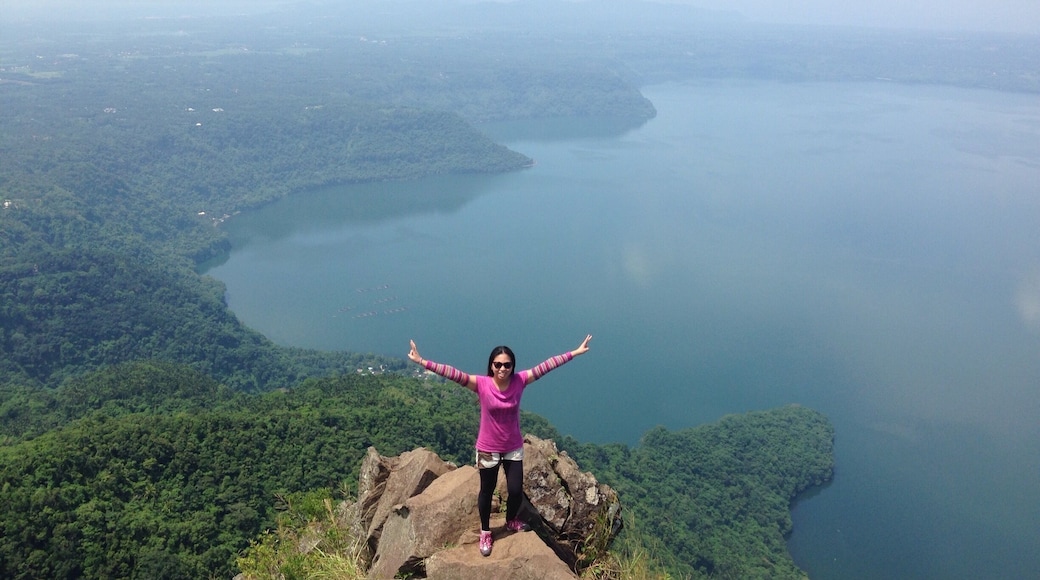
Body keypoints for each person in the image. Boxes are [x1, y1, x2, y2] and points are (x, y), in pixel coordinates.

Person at [408, 334, 592, 557]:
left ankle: (510, 520)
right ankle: (486, 531)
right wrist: (421, 361)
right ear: (491, 366)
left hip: (513, 446)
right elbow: (453, 373)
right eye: (498, 364)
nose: (502, 368)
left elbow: (546, 366)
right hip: (487, 448)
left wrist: (574, 352)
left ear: (512, 366)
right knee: (487, 490)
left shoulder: (519, 381)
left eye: (507, 364)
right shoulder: (482, 384)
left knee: (515, 490)